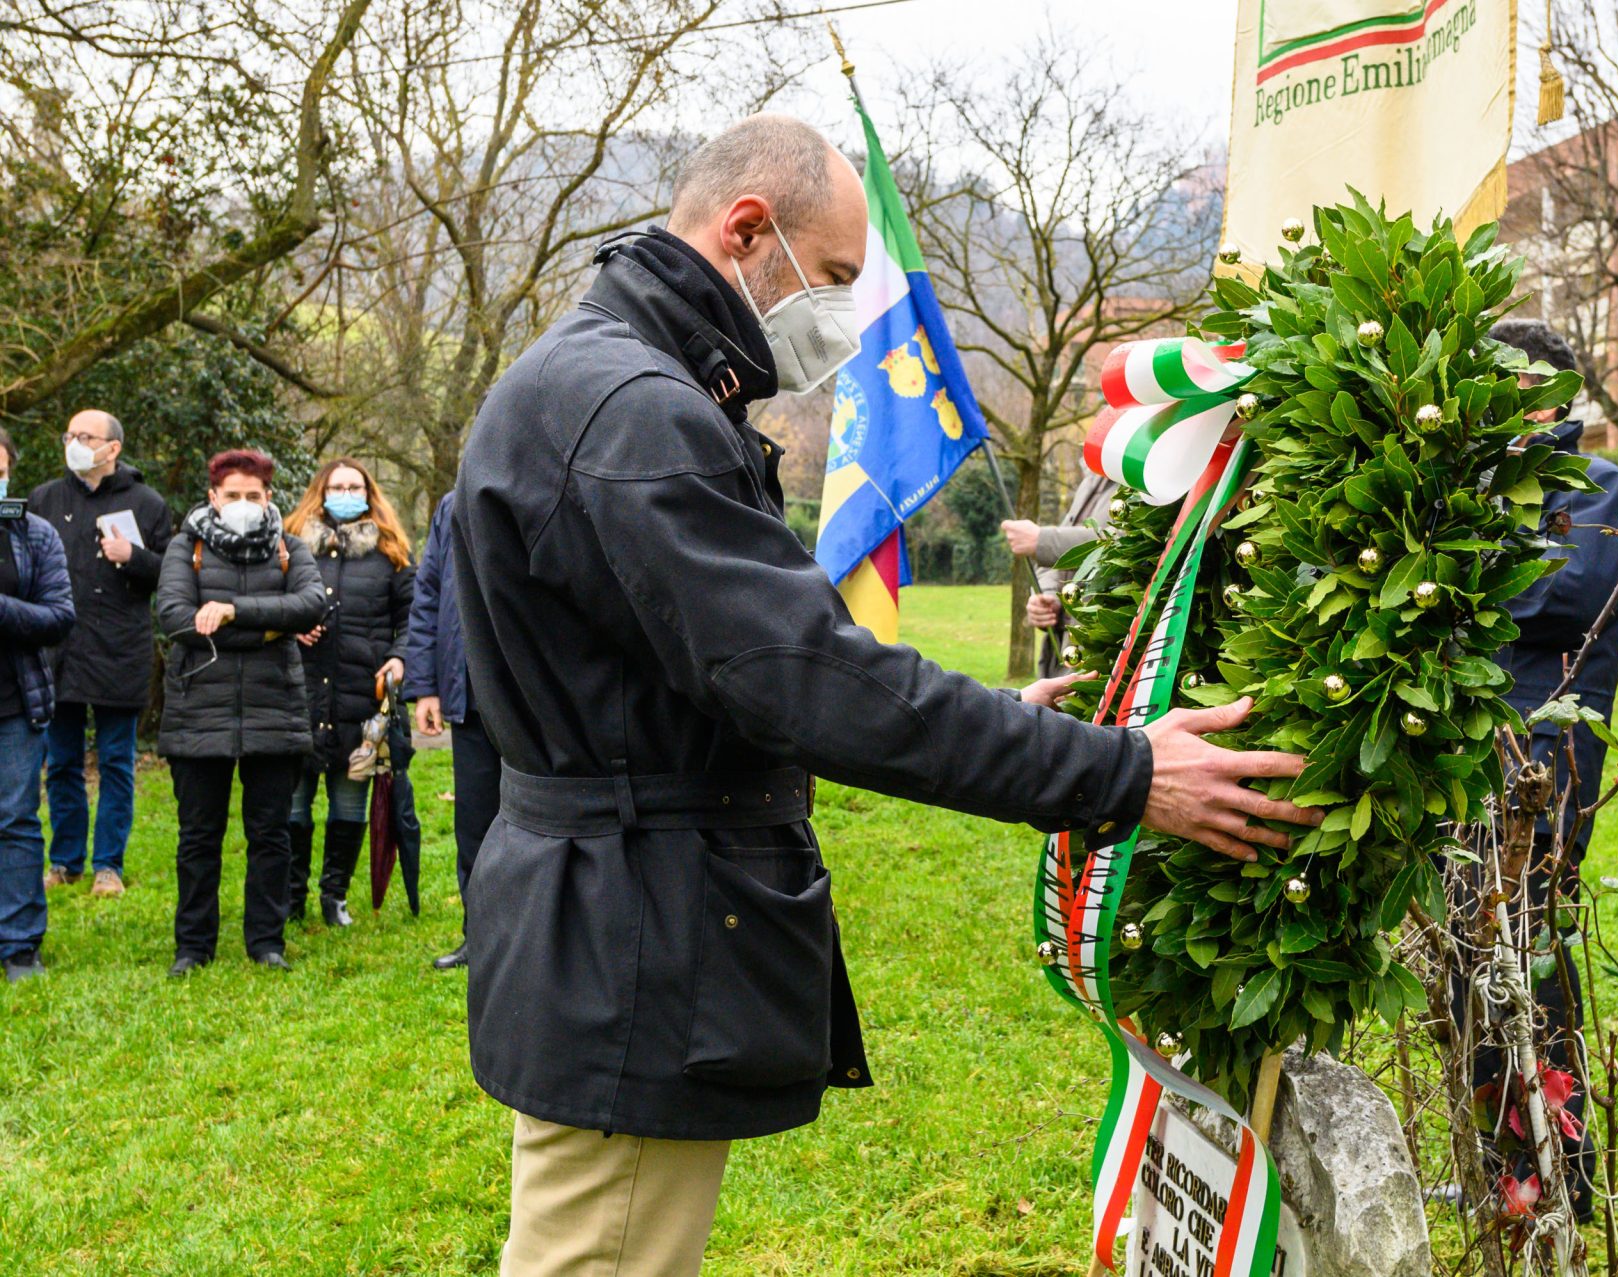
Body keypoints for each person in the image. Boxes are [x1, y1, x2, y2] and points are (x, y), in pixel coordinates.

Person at [452, 113, 1320, 1276]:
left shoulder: (609, 382)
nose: (845, 316)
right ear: (749, 231)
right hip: (627, 934)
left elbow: (716, 668)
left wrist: (1000, 722)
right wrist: (1125, 773)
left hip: (609, 914)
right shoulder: (635, 411)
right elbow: (801, 676)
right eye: (841, 277)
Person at [1482, 317, 1618, 1217]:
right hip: (1462, 765)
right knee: (1470, 963)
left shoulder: (1606, 492)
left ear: (1552, 393)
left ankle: (1557, 1179)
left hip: (1542, 776)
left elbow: (1548, 598)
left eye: (1503, 381)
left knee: (1533, 961)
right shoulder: (1482, 491)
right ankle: (1495, 1159)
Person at [155, 451, 326, 975]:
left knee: (271, 834)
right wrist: (273, 629)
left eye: (254, 496)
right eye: (233, 496)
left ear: (269, 498)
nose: (244, 504)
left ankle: (266, 941)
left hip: (274, 710)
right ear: (213, 497)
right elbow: (176, 619)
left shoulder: (290, 548)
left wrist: (231, 610)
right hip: (197, 712)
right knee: (198, 836)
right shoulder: (187, 548)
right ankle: (193, 946)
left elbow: (312, 604)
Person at [29, 409, 173, 898]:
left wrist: (134, 559)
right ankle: (65, 861)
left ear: (112, 448)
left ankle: (108, 865)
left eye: (84, 436)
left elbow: (170, 576)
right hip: (57, 652)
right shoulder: (44, 499)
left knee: (115, 762)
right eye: (68, 434)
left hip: (119, 650)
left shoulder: (148, 504)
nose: (73, 442)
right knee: (63, 762)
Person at [282, 458, 415, 928]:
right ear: (320, 491)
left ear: (368, 492)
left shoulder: (390, 550)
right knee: (293, 803)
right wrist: (291, 628)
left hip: (362, 691)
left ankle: (334, 895)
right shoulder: (289, 546)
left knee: (350, 800)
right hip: (299, 692)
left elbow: (411, 617)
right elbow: (271, 605)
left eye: (353, 486)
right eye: (336, 485)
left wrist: (400, 656)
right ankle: (290, 897)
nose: (344, 493)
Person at [407, 491, 497, 970]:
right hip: (469, 694)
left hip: (537, 698)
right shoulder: (453, 503)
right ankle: (479, 939)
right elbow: (429, 595)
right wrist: (425, 688)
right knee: (475, 828)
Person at [0, 428, 76, 983]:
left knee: (15, 820)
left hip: (14, 703)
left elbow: (58, 617)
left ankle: (21, 945)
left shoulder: (36, 533)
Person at [1002, 463, 1119, 677]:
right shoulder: (1093, 479)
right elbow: (1058, 561)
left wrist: (1043, 540)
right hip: (1063, 652)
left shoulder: (1151, 476)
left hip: (1108, 657)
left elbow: (1124, 543)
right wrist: (1048, 597)